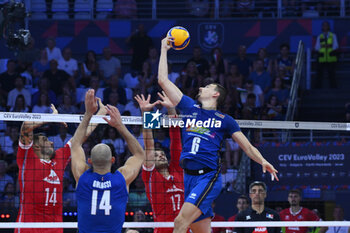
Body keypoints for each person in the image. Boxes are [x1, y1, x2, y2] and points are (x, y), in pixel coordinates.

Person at [157, 36, 278, 233]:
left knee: (180, 223)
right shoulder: (189, 106)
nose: (200, 88)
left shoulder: (225, 119)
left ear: (215, 94)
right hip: (189, 178)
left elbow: (247, 146)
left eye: (206, 87)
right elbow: (162, 80)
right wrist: (164, 49)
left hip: (208, 177)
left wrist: (263, 160)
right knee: (200, 230)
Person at [15, 100, 106, 233]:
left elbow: (80, 137)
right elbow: (25, 127)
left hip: (55, 228)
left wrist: (100, 113)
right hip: (29, 228)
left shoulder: (58, 159)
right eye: (46, 140)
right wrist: (50, 118)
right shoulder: (27, 158)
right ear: (35, 146)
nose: (51, 142)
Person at [71, 89, 145, 233]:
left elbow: (75, 144)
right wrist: (120, 125)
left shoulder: (82, 176)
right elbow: (139, 155)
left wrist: (88, 114)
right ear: (112, 160)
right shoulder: (122, 178)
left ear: (90, 161)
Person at [135, 92, 184, 233]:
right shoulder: (150, 177)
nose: (161, 156)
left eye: (162, 154)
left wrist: (171, 109)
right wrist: (146, 113)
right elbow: (149, 145)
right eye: (156, 156)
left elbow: (176, 141)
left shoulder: (177, 171)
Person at [314, 21, 339, 88]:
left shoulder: (333, 35)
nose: (325, 27)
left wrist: (329, 46)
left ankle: (333, 87)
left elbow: (336, 46)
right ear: (322, 27)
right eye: (323, 25)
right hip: (322, 57)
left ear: (328, 26)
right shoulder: (320, 36)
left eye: (326, 25)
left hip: (331, 57)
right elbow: (317, 47)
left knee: (331, 73)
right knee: (319, 73)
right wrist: (325, 46)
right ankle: (318, 87)